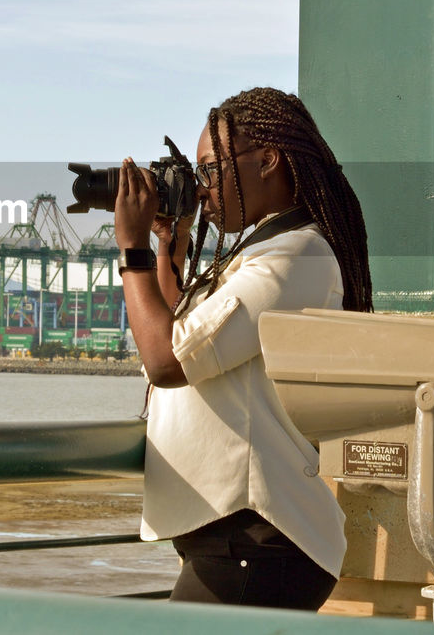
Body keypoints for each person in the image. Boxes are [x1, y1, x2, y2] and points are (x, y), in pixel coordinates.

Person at [114, 86, 372, 609]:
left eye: (211, 168)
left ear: (268, 161)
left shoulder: (296, 255)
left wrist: (131, 249)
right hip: (236, 540)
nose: (203, 187)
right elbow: (178, 326)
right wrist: (170, 245)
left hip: (259, 541)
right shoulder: (261, 252)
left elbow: (166, 361)